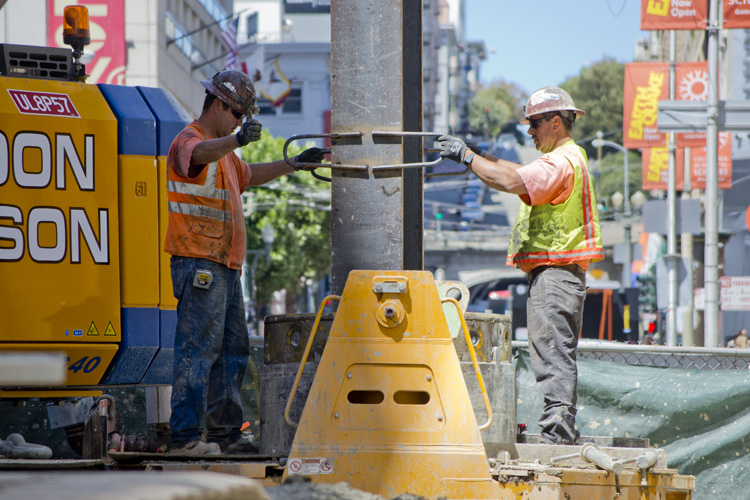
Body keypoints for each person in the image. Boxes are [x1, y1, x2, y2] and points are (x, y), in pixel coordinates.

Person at [164, 69, 324, 455]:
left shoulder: (227, 156)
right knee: (197, 351)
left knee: (232, 351)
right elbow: (198, 156)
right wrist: (234, 139)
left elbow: (251, 174)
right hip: (200, 262)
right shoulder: (191, 141)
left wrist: (295, 163)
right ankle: (185, 438)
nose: (240, 123)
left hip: (226, 265)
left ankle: (226, 433)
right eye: (237, 115)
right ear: (218, 105)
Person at [437, 87, 603, 445]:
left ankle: (558, 432)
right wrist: (481, 155)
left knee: (552, 351)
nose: (530, 132)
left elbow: (513, 181)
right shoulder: (566, 157)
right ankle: (559, 427)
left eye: (535, 124)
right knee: (552, 349)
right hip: (558, 272)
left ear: (555, 123)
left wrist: (466, 157)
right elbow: (517, 170)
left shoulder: (561, 161)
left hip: (555, 271)